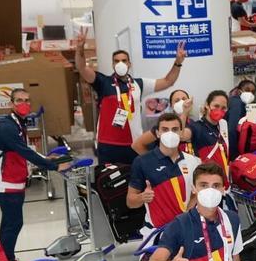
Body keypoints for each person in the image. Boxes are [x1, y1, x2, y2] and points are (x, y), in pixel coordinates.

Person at [0, 88, 72, 261]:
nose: (24, 104)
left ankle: (8, 260)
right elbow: (23, 151)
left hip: (13, 179)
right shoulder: (7, 127)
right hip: (5, 181)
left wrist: (46, 158)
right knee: (13, 223)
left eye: (27, 100)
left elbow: (23, 149)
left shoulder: (17, 123)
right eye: (19, 100)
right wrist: (52, 166)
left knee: (11, 222)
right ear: (11, 103)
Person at [74, 27, 185, 165]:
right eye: (116, 61)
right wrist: (80, 49)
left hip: (133, 144)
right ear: (113, 64)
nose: (120, 63)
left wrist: (178, 63)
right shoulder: (103, 82)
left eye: (124, 60)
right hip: (108, 145)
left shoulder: (139, 84)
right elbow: (82, 68)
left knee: (134, 177)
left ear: (129, 64)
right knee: (109, 178)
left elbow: (168, 81)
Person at [128, 112, 200, 261]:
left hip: (186, 233)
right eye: (165, 129)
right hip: (156, 236)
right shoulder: (142, 162)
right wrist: (142, 197)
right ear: (157, 133)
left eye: (175, 129)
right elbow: (130, 201)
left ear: (181, 133)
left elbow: (196, 194)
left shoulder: (193, 162)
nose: (170, 133)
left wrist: (189, 210)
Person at [187, 91, 234, 179]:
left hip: (223, 178)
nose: (219, 110)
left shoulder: (223, 124)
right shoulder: (196, 127)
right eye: (216, 106)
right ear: (207, 105)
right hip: (205, 178)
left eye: (223, 108)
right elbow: (181, 135)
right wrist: (184, 112)